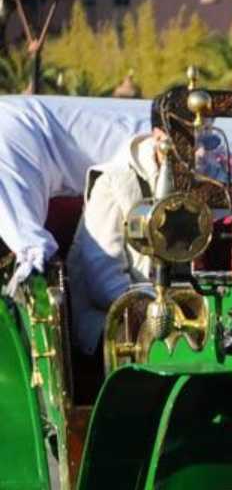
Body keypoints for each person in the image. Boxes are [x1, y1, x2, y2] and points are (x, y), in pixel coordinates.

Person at [65, 130, 165, 353]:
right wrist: (155, 312)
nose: (200, 151)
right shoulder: (112, 181)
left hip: (177, 315)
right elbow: (103, 282)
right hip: (111, 323)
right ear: (159, 135)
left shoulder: (203, 181)